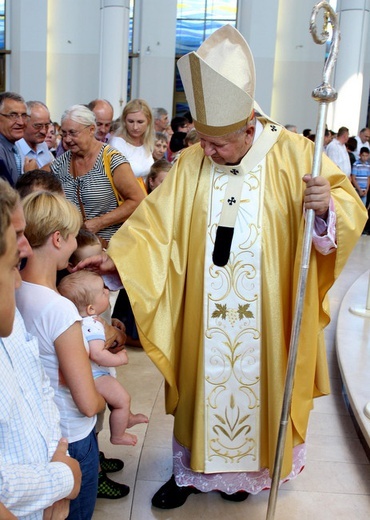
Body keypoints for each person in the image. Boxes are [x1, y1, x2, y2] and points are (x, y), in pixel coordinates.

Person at [74, 25, 367, 510]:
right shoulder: (192, 162)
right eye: (202, 140)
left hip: (266, 318)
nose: (206, 152)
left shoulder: (296, 154)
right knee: (198, 391)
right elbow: (155, 225)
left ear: (250, 126)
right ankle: (189, 475)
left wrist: (324, 210)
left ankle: (245, 476)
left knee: (262, 391)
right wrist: (118, 258)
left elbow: (347, 208)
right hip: (202, 315)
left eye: (218, 144)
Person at [15, 190, 117, 519]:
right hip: (71, 435)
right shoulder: (60, 309)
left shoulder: (15, 291)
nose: (75, 245)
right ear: (58, 239)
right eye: (73, 237)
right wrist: (108, 396)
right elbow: (88, 403)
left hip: (37, 434)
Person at [0, 179, 82, 519]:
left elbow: (39, 386)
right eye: (11, 266)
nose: (20, 278)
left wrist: (56, 452)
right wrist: (61, 478)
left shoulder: (12, 316)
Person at [58, 270, 148, 446]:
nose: (107, 291)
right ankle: (118, 434)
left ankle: (126, 417)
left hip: (95, 373)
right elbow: (98, 353)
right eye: (102, 291)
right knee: (122, 399)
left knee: (119, 397)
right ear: (90, 308)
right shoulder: (91, 325)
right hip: (95, 376)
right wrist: (120, 359)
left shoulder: (85, 321)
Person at [50, 104, 145, 246]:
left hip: (110, 248)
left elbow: (138, 201)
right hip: (72, 250)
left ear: (91, 130)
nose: (68, 139)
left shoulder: (111, 159)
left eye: (73, 133)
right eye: (64, 134)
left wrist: (100, 222)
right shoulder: (59, 165)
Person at [109, 98, 154, 184]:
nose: (135, 127)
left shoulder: (147, 142)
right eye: (130, 121)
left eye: (140, 122)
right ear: (124, 121)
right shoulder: (117, 143)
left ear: (148, 122)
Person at [15, 101, 54, 172]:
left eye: (47, 125)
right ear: (24, 123)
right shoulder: (14, 151)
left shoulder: (43, 145)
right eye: (38, 126)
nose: (44, 131)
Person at [0, 92, 28, 185]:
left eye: (24, 116)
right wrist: (29, 176)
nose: (21, 122)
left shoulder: (13, 146)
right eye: (13, 115)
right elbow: (6, 197)